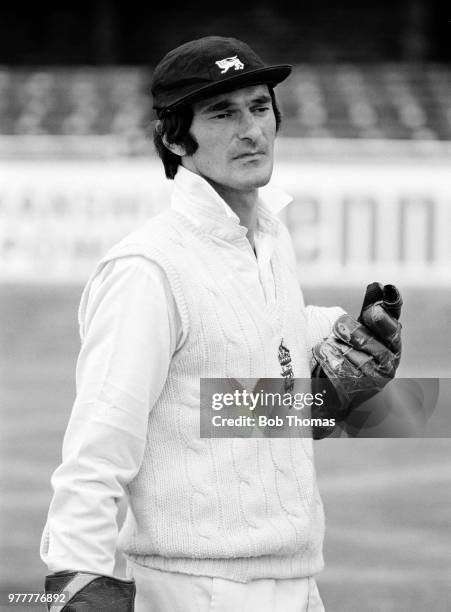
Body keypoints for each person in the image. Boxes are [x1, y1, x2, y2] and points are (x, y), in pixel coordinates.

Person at [41, 36, 401, 611]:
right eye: (222, 113)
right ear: (175, 137)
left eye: (260, 107)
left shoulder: (271, 237)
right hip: (197, 588)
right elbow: (99, 439)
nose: (250, 129)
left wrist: (333, 347)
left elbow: (238, 371)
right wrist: (77, 575)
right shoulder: (147, 269)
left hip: (298, 578)